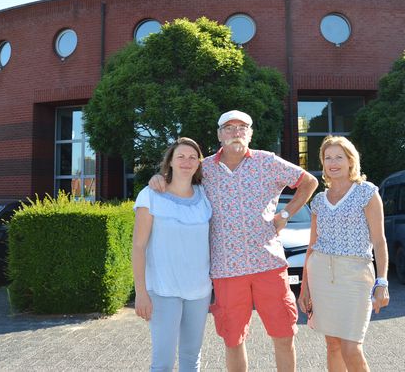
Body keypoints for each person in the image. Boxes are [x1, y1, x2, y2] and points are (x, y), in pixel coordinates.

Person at [150, 110, 318, 372]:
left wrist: (285, 214)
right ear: (219, 135)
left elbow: (309, 181)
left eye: (242, 127)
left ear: (250, 134)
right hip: (227, 270)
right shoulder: (203, 169)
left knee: (284, 335)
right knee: (233, 340)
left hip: (269, 265)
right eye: (229, 128)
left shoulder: (268, 161)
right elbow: (178, 179)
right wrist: (159, 178)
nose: (236, 132)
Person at [298, 136, 389, 372]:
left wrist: (382, 282)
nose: (333, 162)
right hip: (321, 277)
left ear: (350, 161)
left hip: (355, 277)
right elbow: (312, 245)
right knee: (333, 346)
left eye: (339, 157)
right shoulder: (318, 200)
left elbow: (379, 242)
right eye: (328, 158)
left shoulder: (367, 193)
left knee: (351, 347)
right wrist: (304, 287)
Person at [132, 137, 213, 372]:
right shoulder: (151, 195)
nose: (186, 162)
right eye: (181, 157)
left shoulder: (205, 196)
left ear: (199, 163)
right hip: (163, 290)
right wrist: (141, 293)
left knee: (191, 359)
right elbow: (138, 247)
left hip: (199, 291)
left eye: (192, 157)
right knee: (163, 363)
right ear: (170, 162)